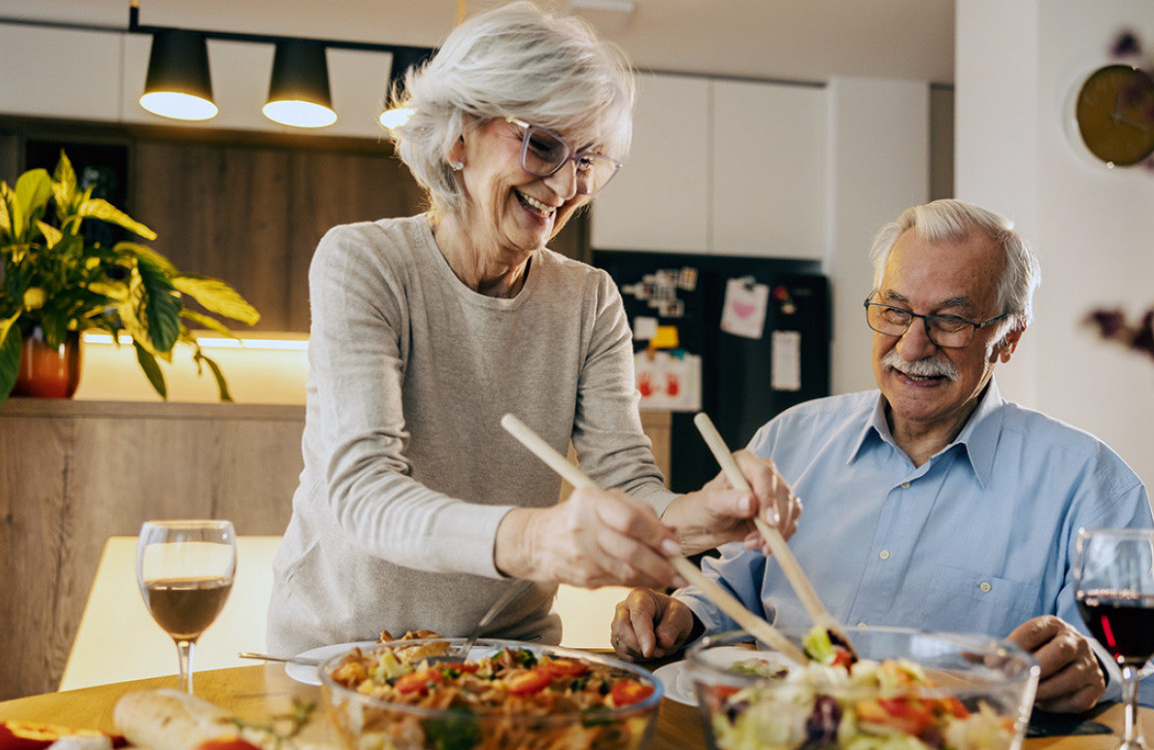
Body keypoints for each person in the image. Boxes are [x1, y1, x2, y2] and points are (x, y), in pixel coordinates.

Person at [266, 2, 798, 655]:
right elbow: (362, 489)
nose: (566, 183)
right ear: (458, 136)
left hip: (507, 655)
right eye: (543, 144)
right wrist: (534, 541)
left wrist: (702, 514)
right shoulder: (365, 262)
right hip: (344, 647)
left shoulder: (587, 298)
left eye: (589, 159)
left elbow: (623, 479)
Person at [612, 199, 1154, 713]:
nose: (911, 346)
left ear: (1009, 336)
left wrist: (1094, 669)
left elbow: (1145, 676)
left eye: (951, 320)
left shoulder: (1092, 484)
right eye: (895, 311)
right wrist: (681, 617)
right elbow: (731, 595)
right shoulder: (791, 440)